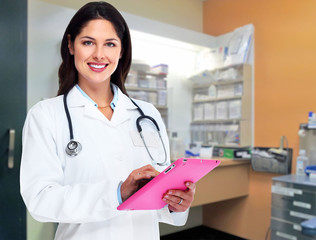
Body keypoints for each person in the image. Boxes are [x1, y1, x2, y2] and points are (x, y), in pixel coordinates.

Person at [20, 2, 196, 240]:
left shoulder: (147, 115)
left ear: (121, 51)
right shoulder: (46, 115)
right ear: (71, 45)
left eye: (110, 44)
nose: (99, 54)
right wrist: (117, 193)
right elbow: (40, 200)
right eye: (88, 42)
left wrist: (176, 203)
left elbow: (159, 189)